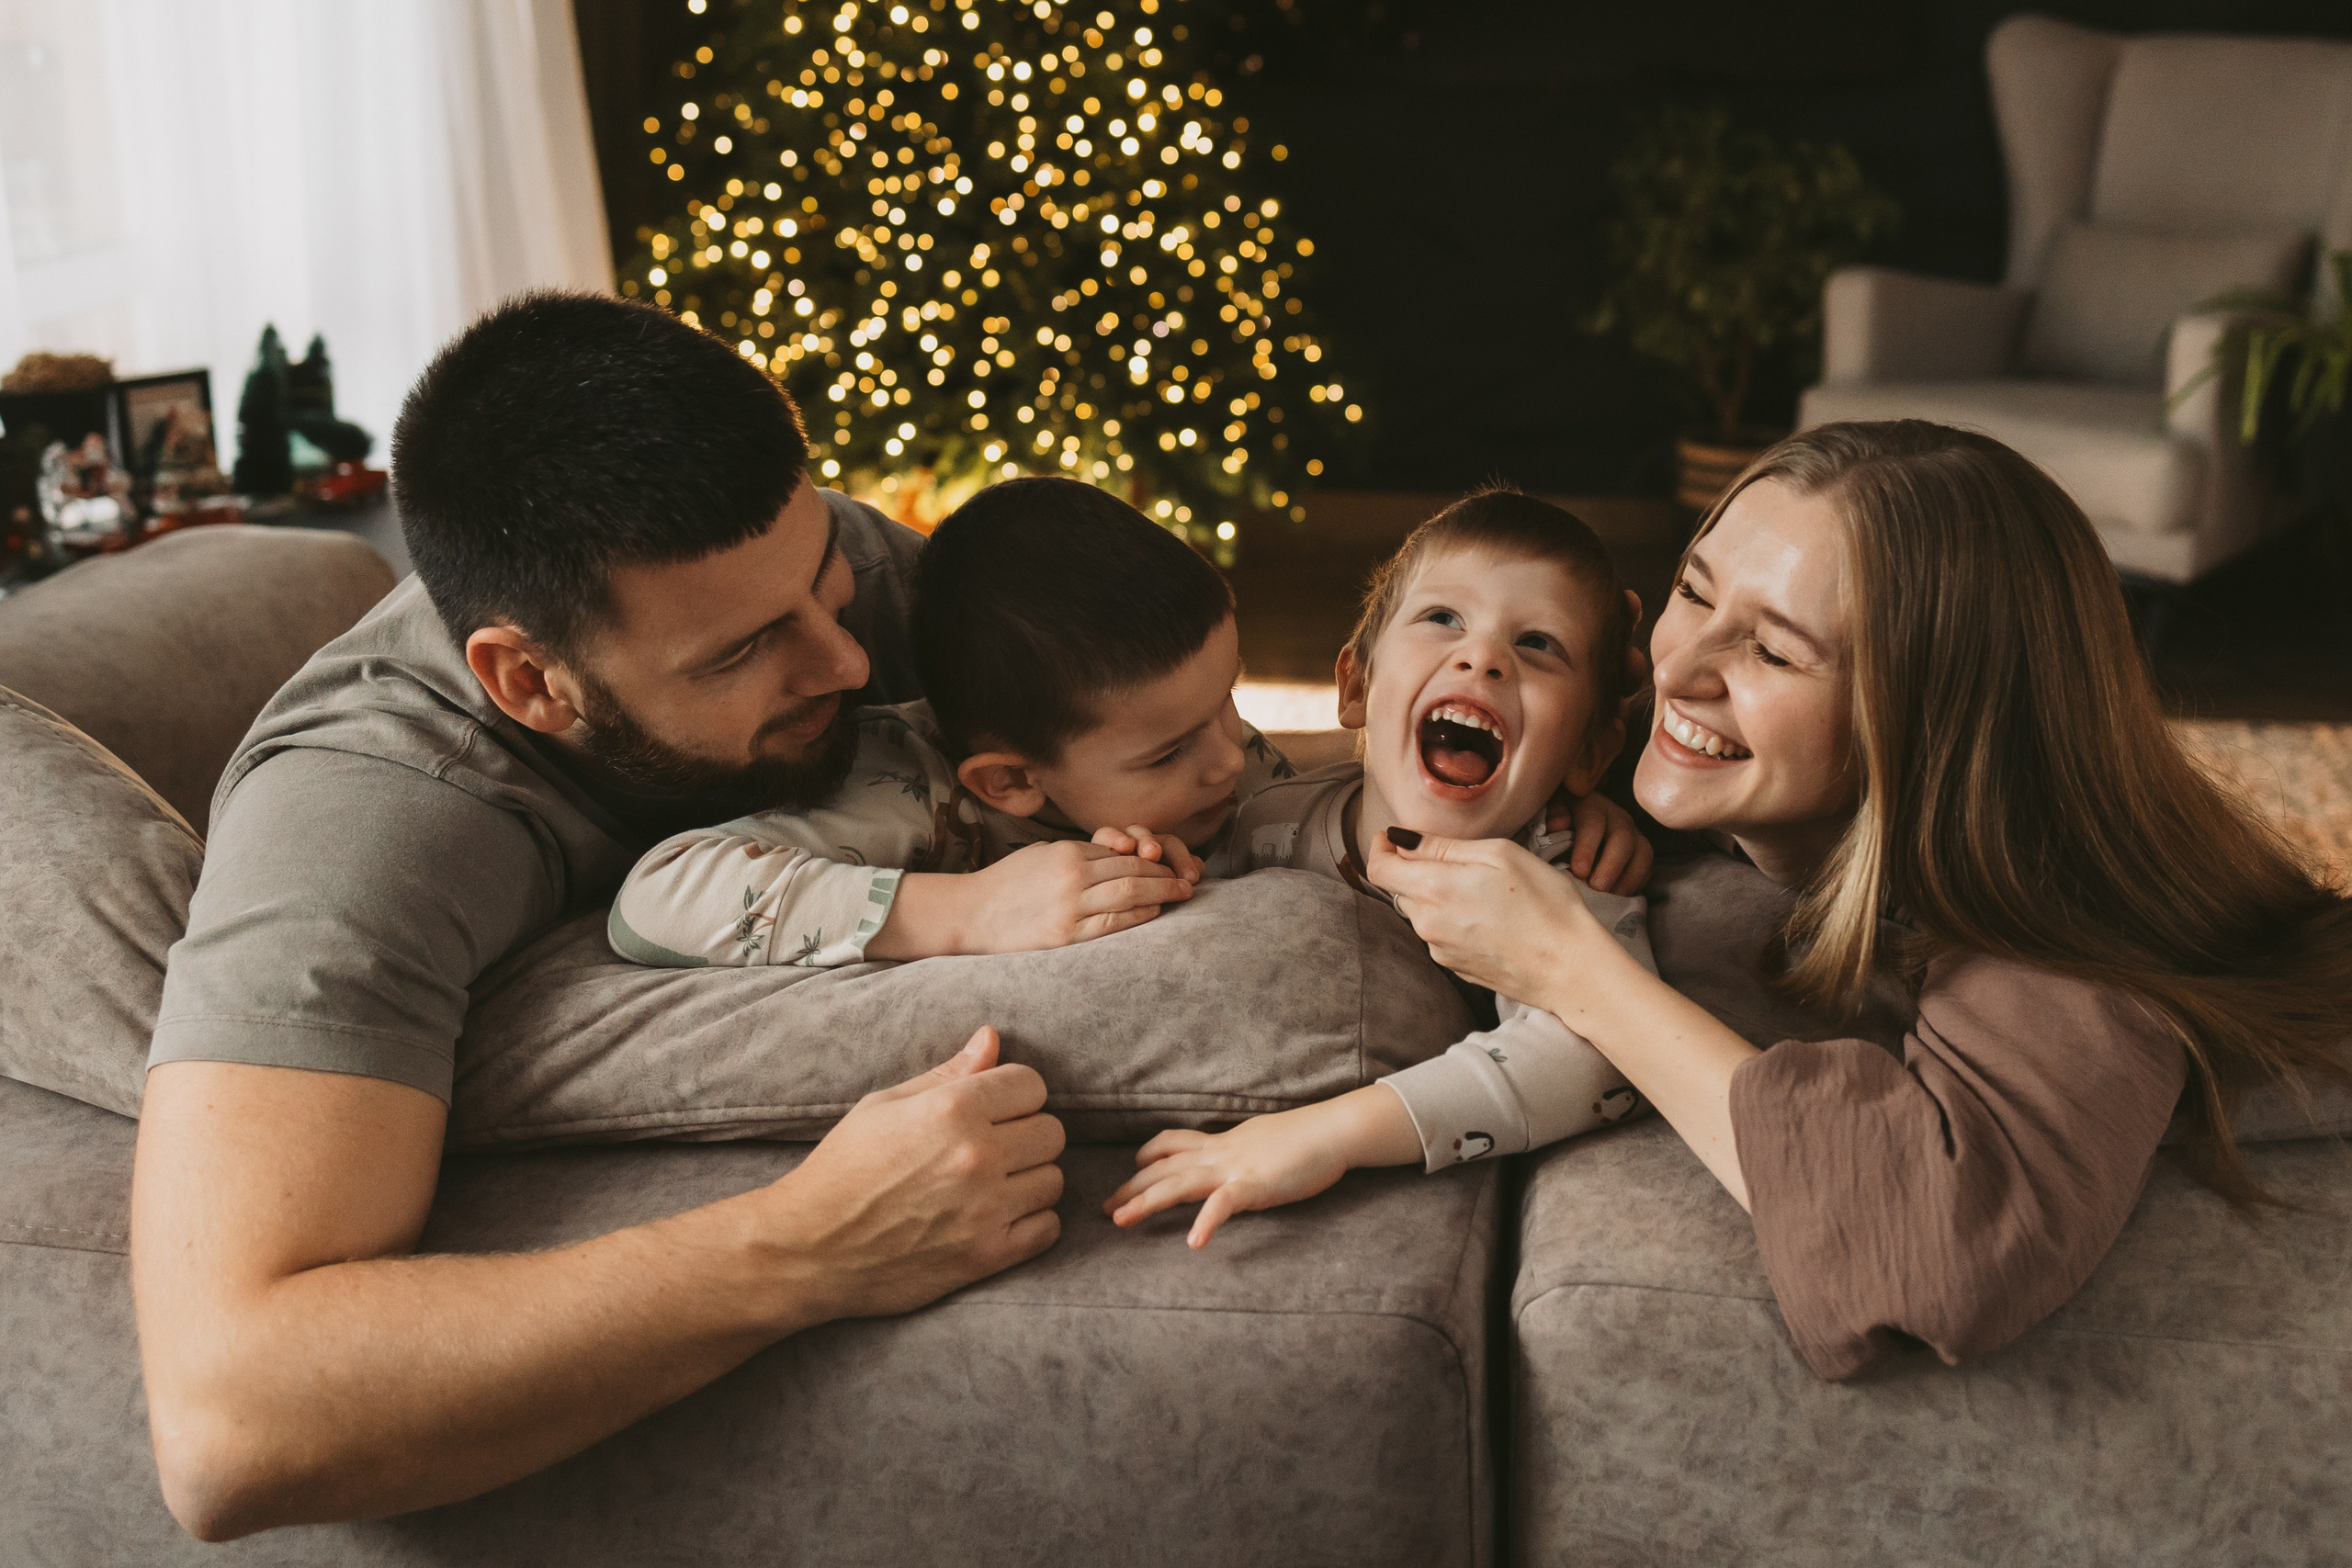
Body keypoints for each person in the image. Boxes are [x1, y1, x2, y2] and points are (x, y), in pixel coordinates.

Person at [130, 292, 1068, 1540]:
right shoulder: (368, 822)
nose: (847, 662)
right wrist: (810, 1242)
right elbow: (226, 1424)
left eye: (828, 586)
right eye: (741, 653)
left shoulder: (802, 574)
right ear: (530, 679)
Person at [1355, 421, 2352, 1379]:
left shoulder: (2058, 924)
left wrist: (1577, 973)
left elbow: (1940, 1254)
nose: (1678, 671)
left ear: (1923, 721)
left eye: (1774, 653)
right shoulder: (1674, 741)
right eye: (1694, 594)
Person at [1104, 490, 1660, 1244]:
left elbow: (1603, 1055)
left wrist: (1323, 1135)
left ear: (1590, 753)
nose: (1483, 656)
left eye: (1538, 644)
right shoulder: (1265, 820)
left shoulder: (1564, 872)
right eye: (1443, 619)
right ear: (1357, 685)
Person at [606, 476, 1290, 969]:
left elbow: (1313, 816)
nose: (1231, 755)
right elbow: (653, 903)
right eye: (1168, 753)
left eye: (1226, 697)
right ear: (1010, 781)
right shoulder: (900, 787)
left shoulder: (1213, 744)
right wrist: (971, 909)